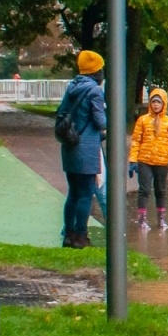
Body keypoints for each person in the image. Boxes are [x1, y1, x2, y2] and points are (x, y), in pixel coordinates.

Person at [55, 50, 107, 248]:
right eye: (101, 69)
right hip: (86, 150)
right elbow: (101, 122)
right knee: (86, 194)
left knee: (73, 193)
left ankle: (68, 235)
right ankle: (81, 237)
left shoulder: (72, 87)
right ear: (96, 71)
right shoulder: (94, 91)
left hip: (69, 146)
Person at [128, 87, 168, 229]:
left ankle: (161, 220)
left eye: (159, 102)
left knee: (160, 190)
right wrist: (133, 160)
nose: (156, 105)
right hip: (144, 161)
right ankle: (141, 220)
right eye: (153, 102)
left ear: (164, 103)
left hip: (162, 162)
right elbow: (136, 141)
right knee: (144, 190)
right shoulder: (143, 120)